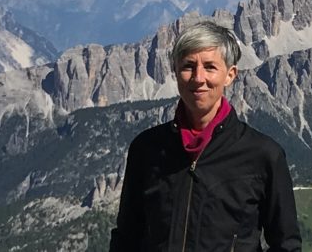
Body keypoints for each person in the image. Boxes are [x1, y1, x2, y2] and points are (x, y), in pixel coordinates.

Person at [109, 21, 301, 251]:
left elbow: (286, 244)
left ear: (230, 75)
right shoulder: (146, 148)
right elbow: (126, 237)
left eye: (210, 67)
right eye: (188, 66)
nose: (198, 78)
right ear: (176, 72)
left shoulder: (263, 155)